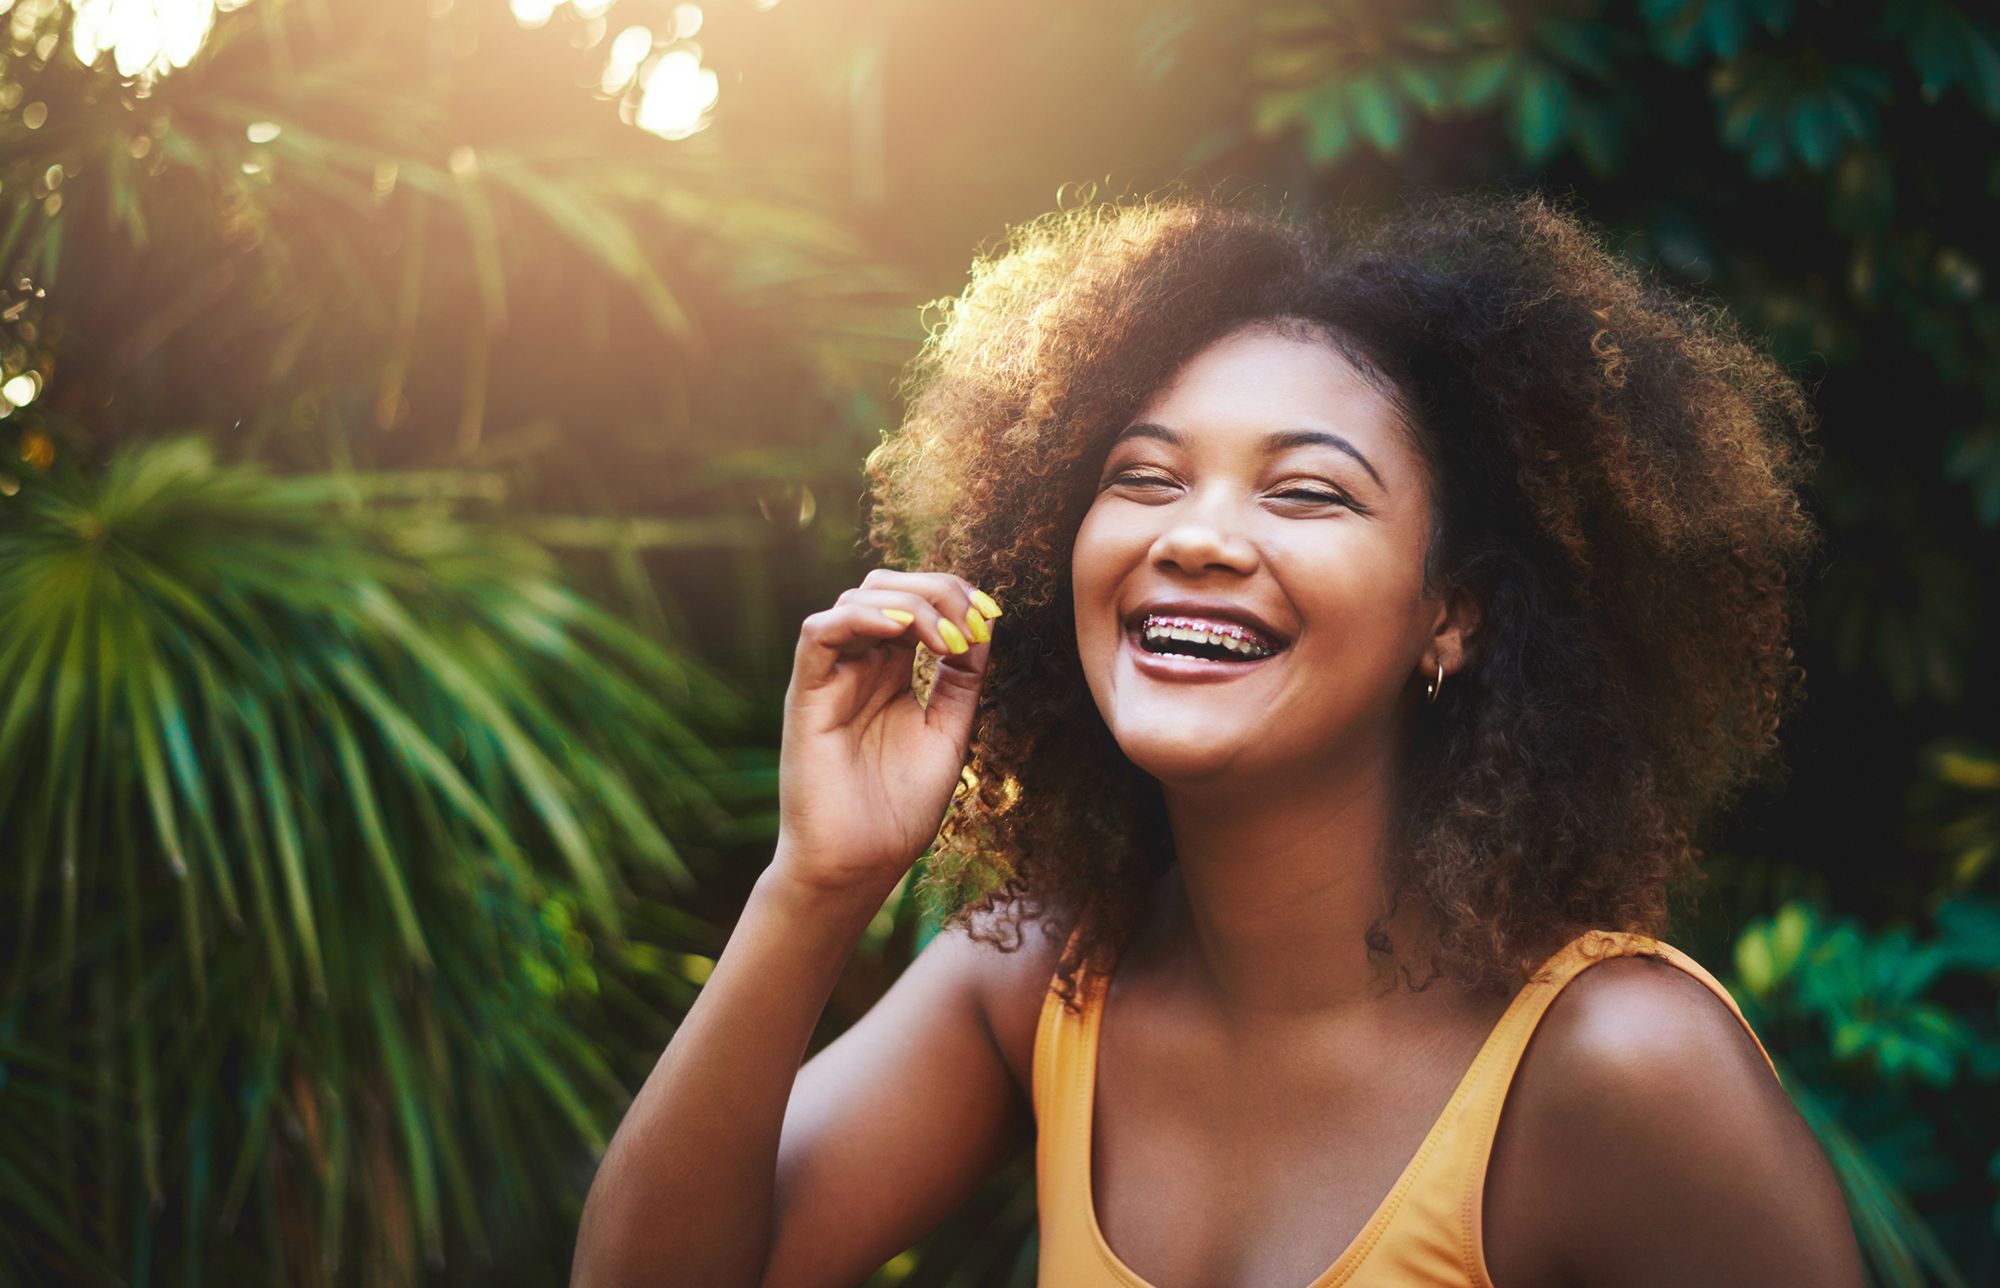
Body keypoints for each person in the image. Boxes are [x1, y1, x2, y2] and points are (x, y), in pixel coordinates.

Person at [571, 189, 1867, 1287]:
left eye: (1306, 492)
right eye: (1144, 477)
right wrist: (819, 880)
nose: (1192, 537)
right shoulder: (1038, 981)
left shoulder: (1618, 1068)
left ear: (1452, 617)